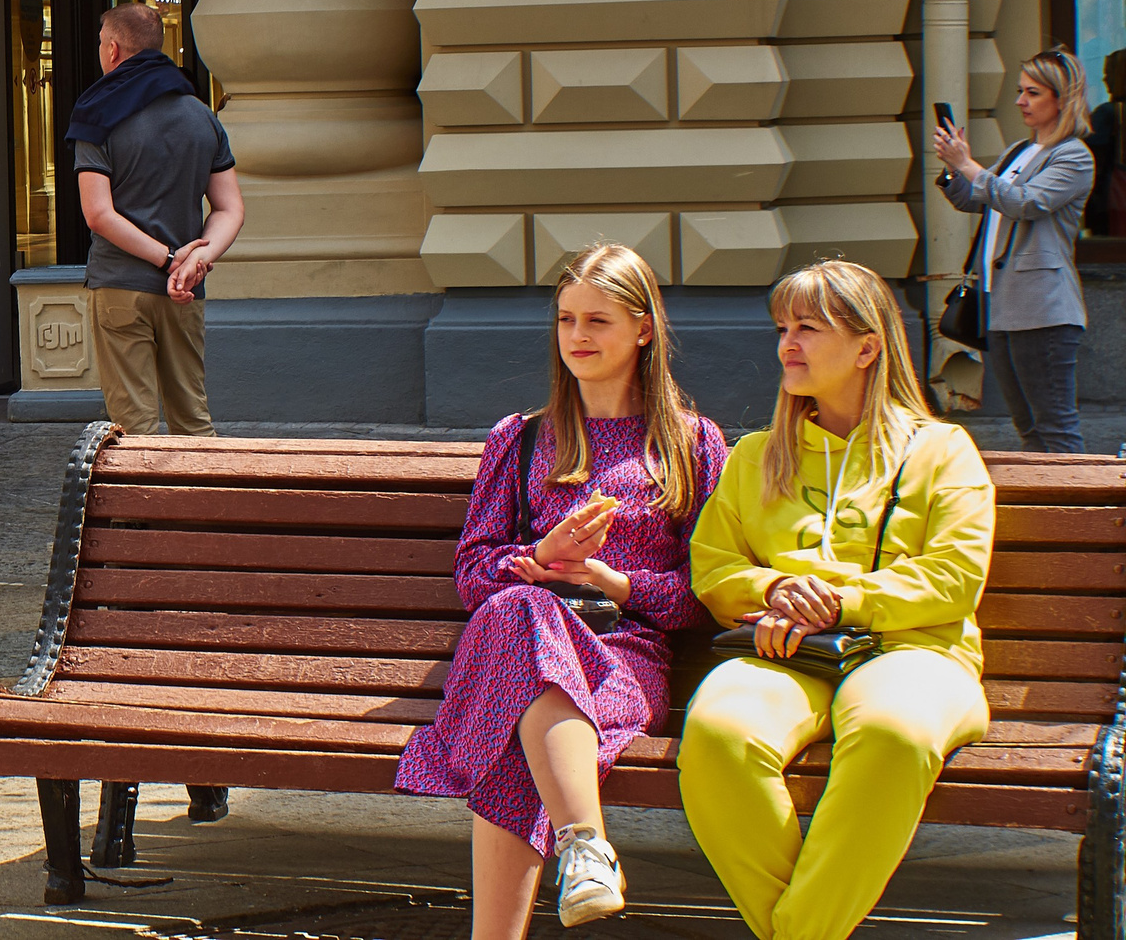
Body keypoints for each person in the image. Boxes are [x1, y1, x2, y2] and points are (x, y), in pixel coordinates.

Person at [395, 244, 728, 935]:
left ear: (643, 328)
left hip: (620, 655)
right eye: (566, 319)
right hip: (522, 637)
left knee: (517, 727)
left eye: (598, 321)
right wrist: (541, 557)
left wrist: (617, 581)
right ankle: (585, 845)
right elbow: (473, 576)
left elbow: (709, 595)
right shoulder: (520, 439)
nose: (577, 336)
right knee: (520, 613)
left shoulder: (693, 444)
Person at [677, 259, 995, 940]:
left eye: (808, 327)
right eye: (783, 327)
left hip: (916, 652)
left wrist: (840, 600)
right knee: (717, 732)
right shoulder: (757, 454)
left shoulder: (942, 450)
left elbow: (954, 576)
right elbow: (713, 564)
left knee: (892, 731)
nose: (786, 343)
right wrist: (774, 588)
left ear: (867, 346)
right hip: (786, 653)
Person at [68, 3, 242, 435]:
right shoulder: (201, 115)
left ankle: (142, 503)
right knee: (193, 419)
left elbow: (98, 214)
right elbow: (229, 208)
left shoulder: (97, 115)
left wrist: (167, 261)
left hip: (120, 285)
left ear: (112, 49)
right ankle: (202, 502)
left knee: (134, 425)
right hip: (185, 291)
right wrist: (193, 263)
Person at [933, 46, 1096, 452]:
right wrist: (955, 169)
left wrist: (970, 166)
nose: (1021, 101)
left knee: (1054, 425)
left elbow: (1025, 202)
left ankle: (1074, 510)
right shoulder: (1020, 152)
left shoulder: (1073, 156)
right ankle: (1047, 508)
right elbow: (976, 199)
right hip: (1002, 305)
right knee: (1027, 425)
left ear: (1063, 98)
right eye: (1021, 91)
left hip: (1042, 309)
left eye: (1033, 93)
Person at [1085, 49, 1126, 235]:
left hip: (1112, 204)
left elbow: (1092, 161)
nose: (1104, 80)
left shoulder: (1108, 114)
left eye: (1108, 74)